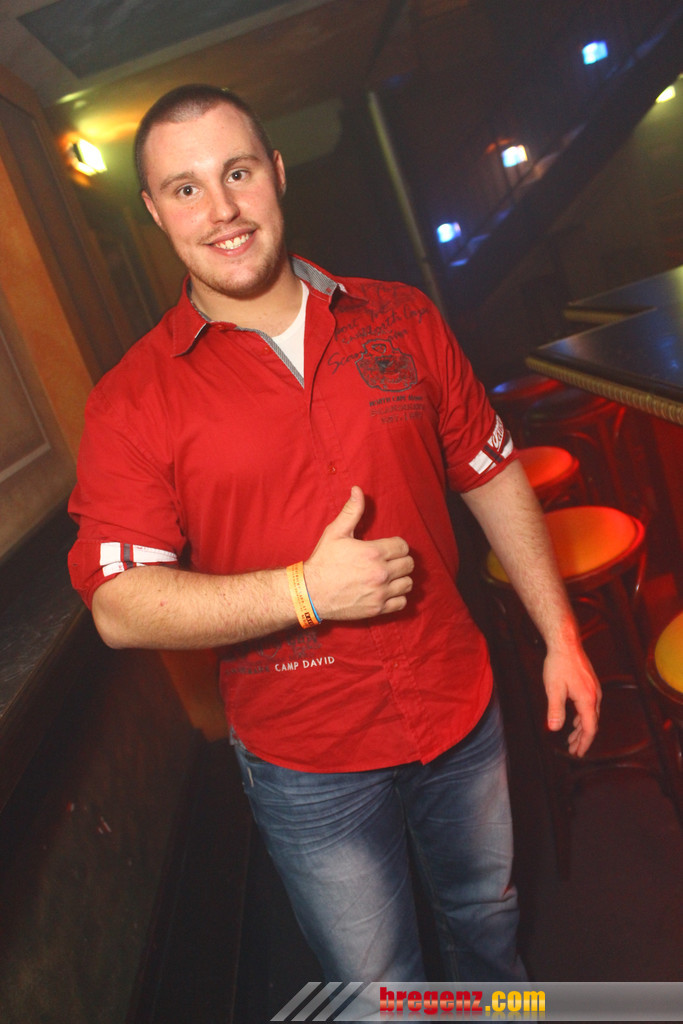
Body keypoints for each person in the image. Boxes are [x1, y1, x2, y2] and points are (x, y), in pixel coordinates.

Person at [68, 84, 600, 984]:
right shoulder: (133, 400)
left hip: (456, 707)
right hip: (307, 759)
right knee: (376, 985)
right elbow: (119, 606)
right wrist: (304, 592)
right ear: (155, 211)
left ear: (276, 174)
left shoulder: (402, 317)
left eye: (238, 172)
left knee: (488, 923)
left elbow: (491, 472)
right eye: (187, 188)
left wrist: (562, 636)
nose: (222, 209)